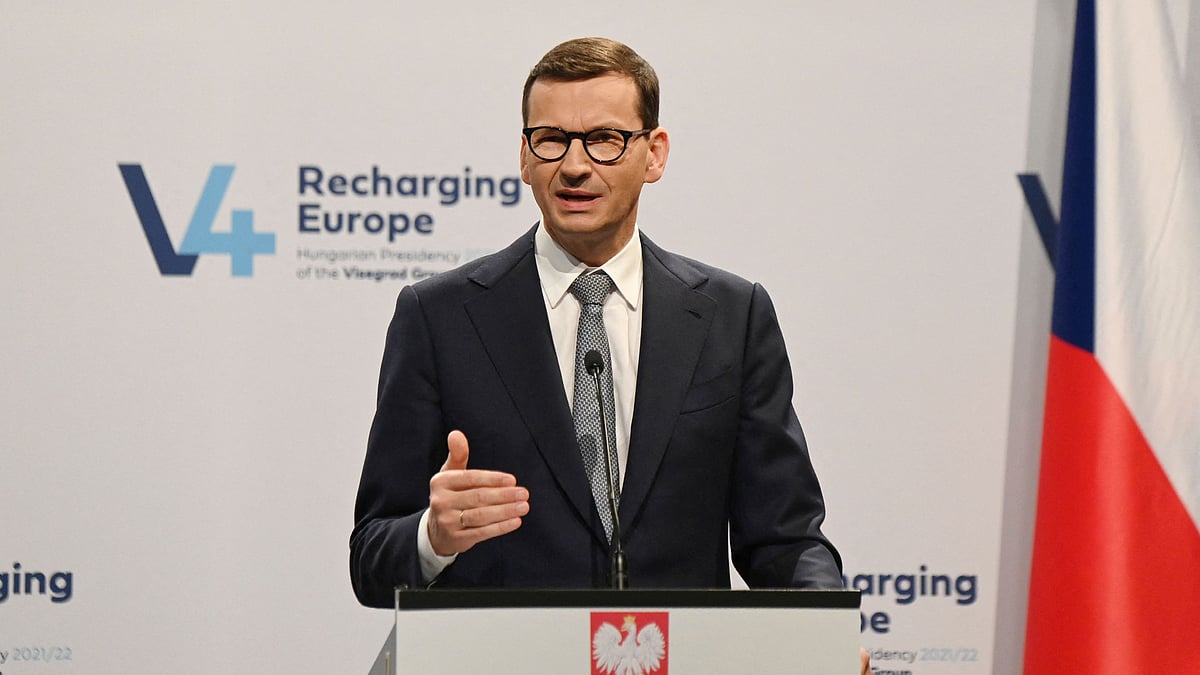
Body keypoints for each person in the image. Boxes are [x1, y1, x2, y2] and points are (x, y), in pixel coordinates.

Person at [351, 36, 844, 602]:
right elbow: (371, 558)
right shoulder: (439, 319)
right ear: (523, 156)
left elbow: (784, 537)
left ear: (654, 153)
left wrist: (824, 627)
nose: (575, 166)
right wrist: (432, 538)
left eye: (605, 139)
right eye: (552, 140)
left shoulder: (732, 316)